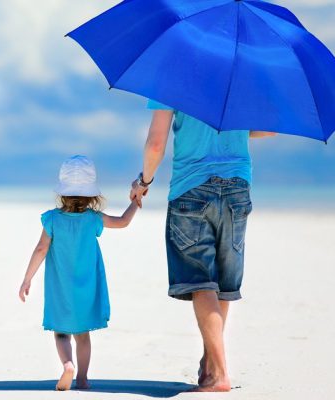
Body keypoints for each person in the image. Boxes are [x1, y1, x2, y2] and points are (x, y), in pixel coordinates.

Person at [130, 100, 276, 392]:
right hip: (237, 186)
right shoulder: (239, 77)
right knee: (223, 281)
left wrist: (143, 180)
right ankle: (211, 362)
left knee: (201, 282)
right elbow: (269, 130)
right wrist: (230, 127)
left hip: (192, 186)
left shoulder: (172, 76)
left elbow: (156, 143)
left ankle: (220, 373)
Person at [19, 155, 138, 391]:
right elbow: (123, 221)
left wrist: (27, 278)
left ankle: (67, 365)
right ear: (91, 193)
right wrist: (136, 201)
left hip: (60, 287)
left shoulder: (52, 218)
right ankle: (82, 379)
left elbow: (41, 249)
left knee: (61, 333)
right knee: (83, 335)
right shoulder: (93, 219)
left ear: (62, 192)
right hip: (87, 286)